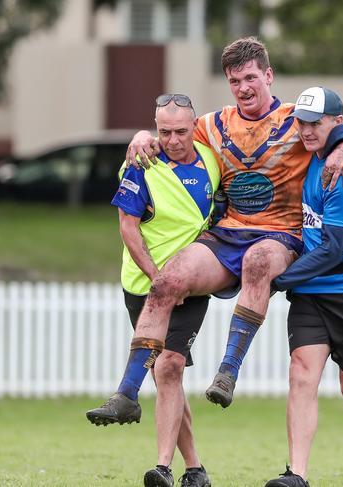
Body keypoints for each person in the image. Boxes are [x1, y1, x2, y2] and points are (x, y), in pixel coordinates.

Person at [85, 35, 343, 425]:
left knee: (260, 261)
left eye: (250, 78)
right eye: (234, 81)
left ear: (268, 76)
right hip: (228, 232)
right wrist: (142, 136)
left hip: (281, 234)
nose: (243, 88)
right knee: (165, 282)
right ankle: (126, 394)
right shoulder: (213, 124)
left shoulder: (300, 119)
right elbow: (169, 135)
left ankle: (228, 371)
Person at [263, 86, 343, 487]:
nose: (305, 130)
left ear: (338, 122)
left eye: (314, 122)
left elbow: (334, 249)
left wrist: (278, 281)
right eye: (301, 122)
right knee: (301, 374)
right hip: (313, 294)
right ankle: (297, 474)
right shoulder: (318, 157)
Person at [94, 94, 219, 487]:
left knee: (170, 367)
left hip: (193, 283)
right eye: (163, 131)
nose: (173, 139)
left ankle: (162, 468)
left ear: (194, 127)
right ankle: (195, 468)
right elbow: (127, 227)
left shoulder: (212, 160)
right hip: (143, 286)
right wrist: (157, 280)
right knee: (169, 378)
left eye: (181, 131)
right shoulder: (141, 163)